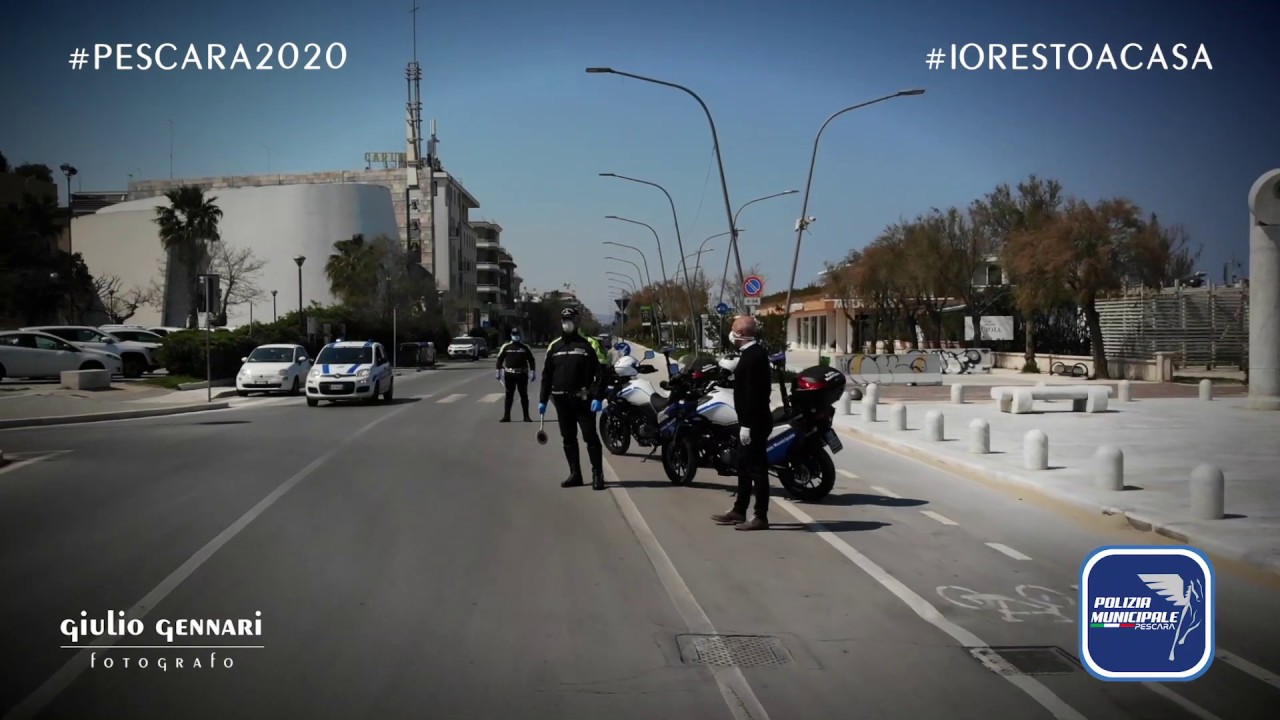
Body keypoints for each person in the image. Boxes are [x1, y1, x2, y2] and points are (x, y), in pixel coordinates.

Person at [712, 315, 773, 530]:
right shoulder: (749, 354)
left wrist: (747, 425)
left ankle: (760, 516)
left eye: (733, 329)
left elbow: (754, 395)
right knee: (743, 466)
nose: (730, 333)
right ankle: (739, 510)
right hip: (749, 420)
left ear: (740, 333)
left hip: (754, 422)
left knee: (757, 469)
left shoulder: (754, 356)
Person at [538, 307, 609, 490]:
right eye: (564, 320)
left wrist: (598, 396)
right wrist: (542, 400)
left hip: (583, 400)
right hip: (562, 402)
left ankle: (597, 474)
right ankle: (575, 474)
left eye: (569, 320)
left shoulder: (587, 345)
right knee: (568, 438)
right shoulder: (555, 347)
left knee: (590, 436)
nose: (566, 323)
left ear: (577, 322)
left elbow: (601, 374)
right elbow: (547, 375)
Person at [495, 328, 535, 422]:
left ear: (520, 335)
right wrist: (498, 371)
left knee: (524, 395)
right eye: (514, 334)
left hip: (522, 374)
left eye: (517, 334)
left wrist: (533, 371)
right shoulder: (506, 347)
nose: (515, 336)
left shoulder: (525, 347)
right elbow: (500, 359)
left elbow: (531, 360)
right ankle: (506, 416)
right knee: (509, 395)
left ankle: (526, 416)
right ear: (511, 335)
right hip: (509, 374)